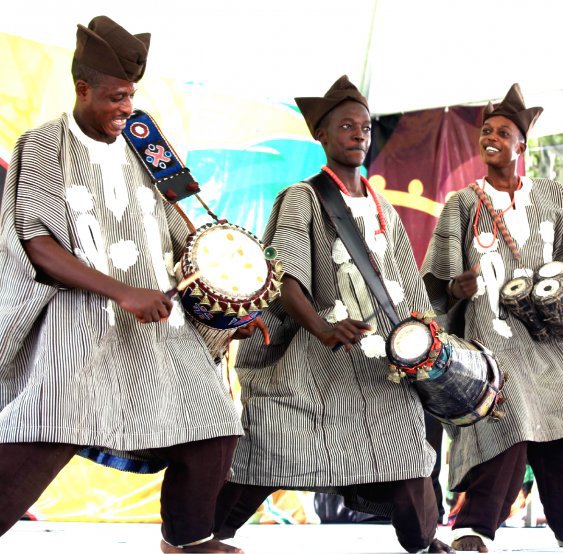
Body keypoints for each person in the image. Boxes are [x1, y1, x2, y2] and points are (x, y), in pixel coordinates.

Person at [0, 16, 245, 553]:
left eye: (131, 96)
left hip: (161, 325)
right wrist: (121, 292)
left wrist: (230, 302)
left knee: (213, 421)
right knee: (45, 429)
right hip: (80, 321)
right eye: (114, 97)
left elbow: (187, 234)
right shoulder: (43, 143)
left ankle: (187, 540)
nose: (125, 109)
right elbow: (36, 241)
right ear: (82, 89)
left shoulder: (146, 143)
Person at [212, 76, 453, 554]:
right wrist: (321, 327)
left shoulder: (383, 206)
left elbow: (407, 282)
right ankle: (202, 533)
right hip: (317, 359)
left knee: (406, 450)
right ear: (321, 136)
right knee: (272, 451)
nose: (358, 134)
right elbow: (283, 275)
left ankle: (423, 543)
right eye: (346, 126)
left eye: (364, 127)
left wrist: (426, 340)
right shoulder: (303, 197)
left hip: (381, 362)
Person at [420, 82, 563, 551]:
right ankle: (473, 527)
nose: (491, 137)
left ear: (522, 144)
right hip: (492, 338)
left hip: (547, 337)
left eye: (503, 131)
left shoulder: (548, 195)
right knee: (511, 417)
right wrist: (458, 286)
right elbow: (436, 281)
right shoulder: (463, 203)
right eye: (486, 130)